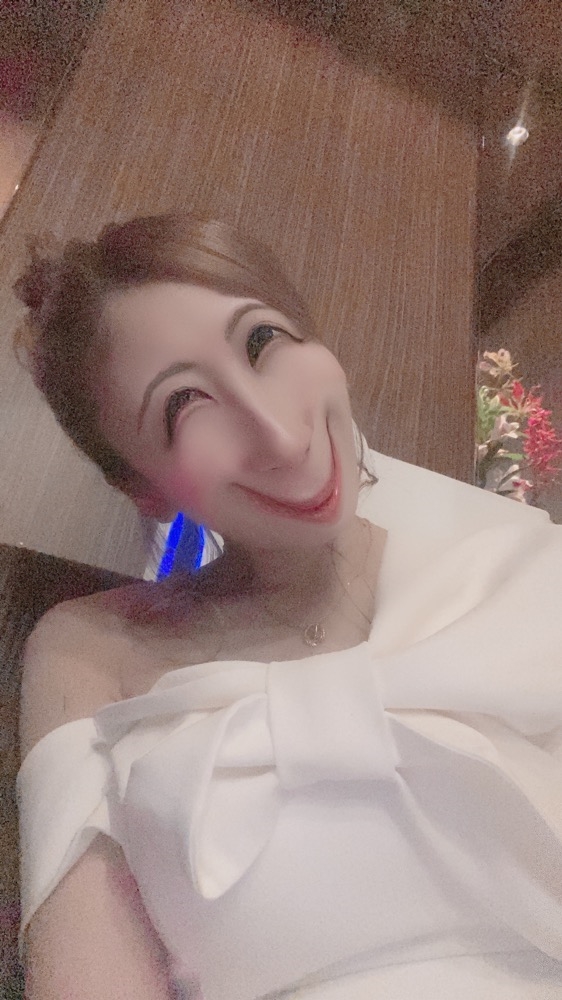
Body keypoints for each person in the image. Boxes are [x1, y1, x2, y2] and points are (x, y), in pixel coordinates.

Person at [13, 212, 562, 1000]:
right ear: (144, 488)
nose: (280, 435)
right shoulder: (94, 649)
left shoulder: (526, 576)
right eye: (184, 406)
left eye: (263, 342)